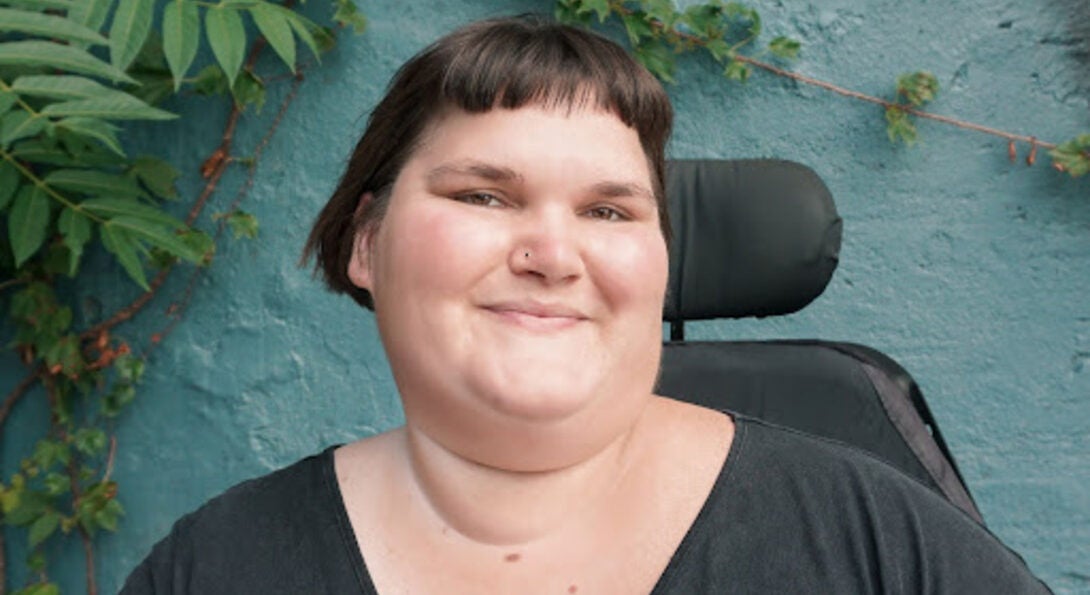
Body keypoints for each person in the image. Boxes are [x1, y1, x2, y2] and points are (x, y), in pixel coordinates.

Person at [123, 15, 1051, 594]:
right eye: (484, 195)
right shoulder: (216, 565)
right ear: (367, 242)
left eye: (608, 209)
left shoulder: (874, 540)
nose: (553, 254)